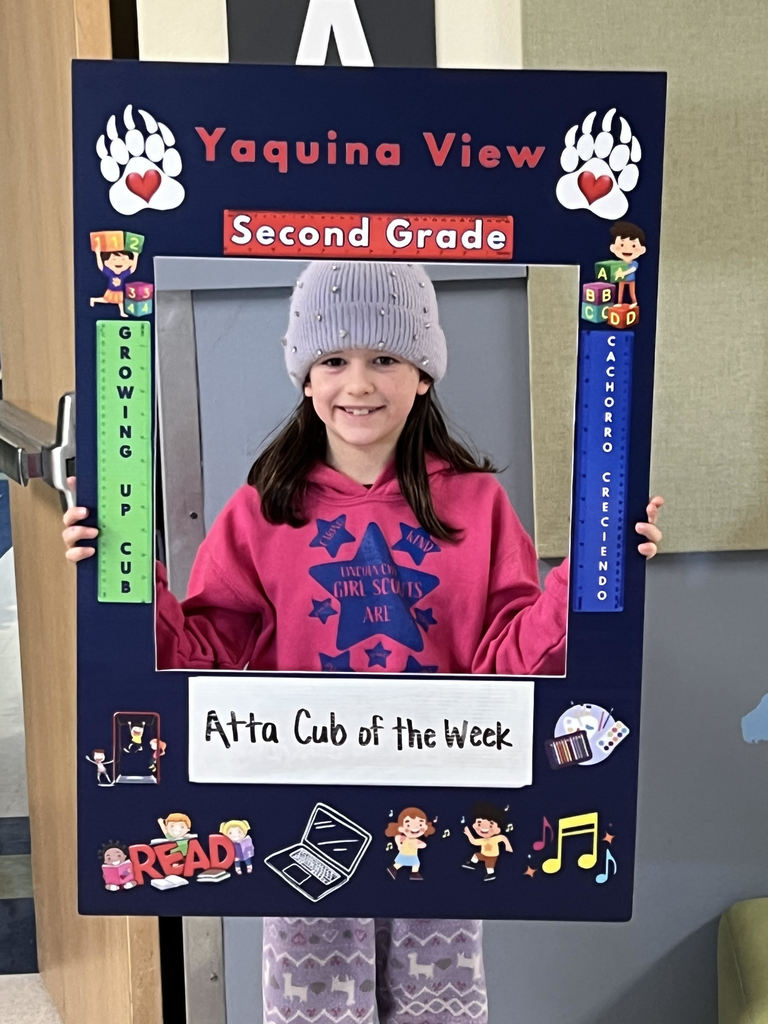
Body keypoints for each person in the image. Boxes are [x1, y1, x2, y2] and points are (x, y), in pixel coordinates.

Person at [65, 260, 662, 1023]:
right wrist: (120, 576)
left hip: (441, 816)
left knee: (440, 1007)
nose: (358, 383)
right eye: (333, 360)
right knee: (312, 1007)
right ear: (305, 377)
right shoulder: (260, 511)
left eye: (383, 357)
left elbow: (511, 663)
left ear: (423, 373)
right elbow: (198, 655)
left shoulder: (479, 506)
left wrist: (592, 573)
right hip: (298, 812)